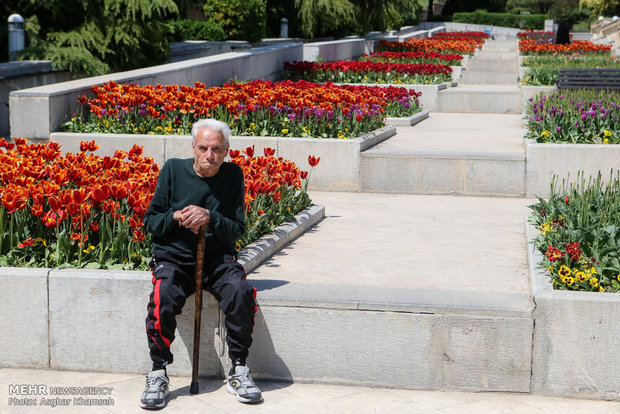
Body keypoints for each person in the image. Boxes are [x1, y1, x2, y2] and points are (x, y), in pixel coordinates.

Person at [140, 118, 262, 409]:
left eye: (217, 149)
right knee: (163, 296)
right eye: (204, 148)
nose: (211, 155)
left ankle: (240, 367)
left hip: (217, 258)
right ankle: (158, 371)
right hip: (175, 258)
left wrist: (212, 217)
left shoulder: (233, 175)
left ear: (227, 150)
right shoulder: (173, 170)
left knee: (240, 292)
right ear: (193, 148)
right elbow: (151, 222)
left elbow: (237, 229)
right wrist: (176, 217)